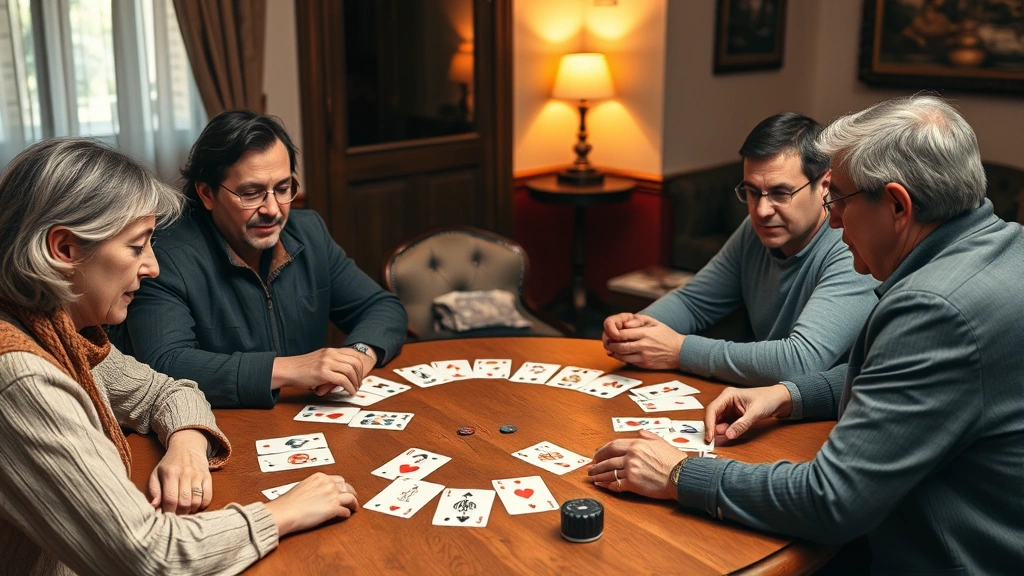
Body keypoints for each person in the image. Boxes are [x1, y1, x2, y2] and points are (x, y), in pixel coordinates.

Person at [589, 95, 1024, 573]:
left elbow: (830, 501)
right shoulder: (1008, 248)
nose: (833, 219)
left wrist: (677, 472)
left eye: (838, 199)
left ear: (898, 205)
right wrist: (788, 395)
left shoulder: (933, 308)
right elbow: (906, 376)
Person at [0, 139, 358, 574]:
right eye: (136, 247)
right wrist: (284, 511)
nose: (152, 267)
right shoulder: (21, 376)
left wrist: (186, 444)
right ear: (65, 249)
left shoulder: (57, 329)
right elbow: (150, 556)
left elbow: (166, 390)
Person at [114, 111, 408, 408]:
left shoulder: (309, 232)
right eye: (251, 193)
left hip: (308, 418)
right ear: (207, 193)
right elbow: (164, 362)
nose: (272, 209)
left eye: (282, 189)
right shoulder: (162, 256)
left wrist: (358, 355)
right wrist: (290, 369)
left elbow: (381, 307)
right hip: (220, 428)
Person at [603, 113, 877, 386]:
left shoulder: (851, 245)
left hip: (836, 412)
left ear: (824, 185)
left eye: (781, 193)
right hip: (766, 403)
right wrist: (636, 330)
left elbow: (799, 361)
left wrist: (678, 350)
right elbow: (694, 302)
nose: (761, 210)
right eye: (752, 192)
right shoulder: (756, 229)